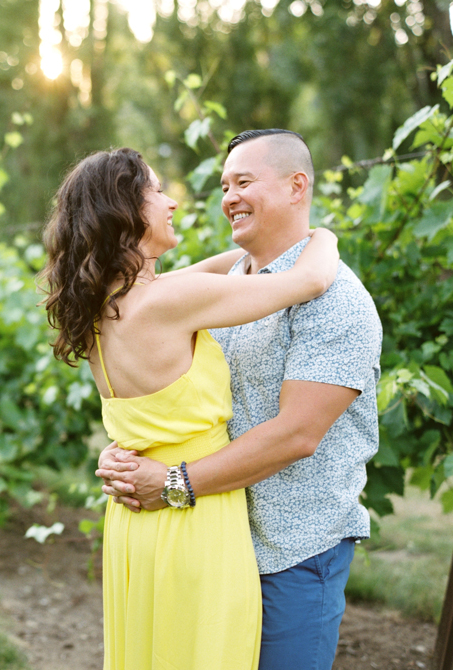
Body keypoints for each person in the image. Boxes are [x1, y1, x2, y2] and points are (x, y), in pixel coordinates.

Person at [38, 146, 340, 670]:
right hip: (192, 513)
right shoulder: (170, 302)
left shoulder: (104, 308)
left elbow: (229, 266)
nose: (172, 202)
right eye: (156, 191)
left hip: (134, 520)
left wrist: (255, 244)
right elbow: (309, 280)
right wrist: (322, 235)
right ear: (125, 212)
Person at [95, 130, 382, 670]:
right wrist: (129, 449)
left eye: (244, 182)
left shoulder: (336, 302)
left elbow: (298, 434)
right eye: (226, 185)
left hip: (290, 552)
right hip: (212, 538)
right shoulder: (225, 284)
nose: (228, 197)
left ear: (297, 187)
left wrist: (174, 482)